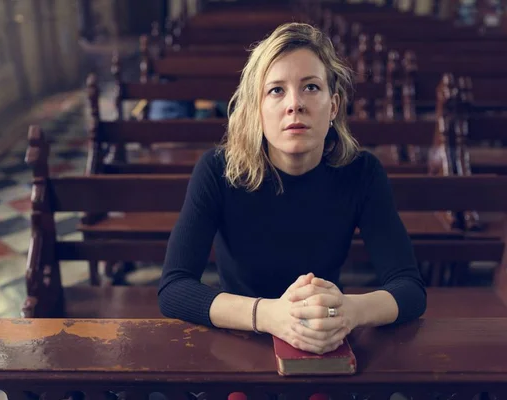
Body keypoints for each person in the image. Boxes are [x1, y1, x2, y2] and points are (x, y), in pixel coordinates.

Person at [157, 22, 427, 355]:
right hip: (241, 335)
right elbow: (174, 289)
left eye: (311, 87)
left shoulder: (362, 172)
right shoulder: (217, 170)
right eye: (276, 90)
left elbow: (409, 288)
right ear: (257, 108)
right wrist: (269, 315)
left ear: (334, 106)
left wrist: (349, 311)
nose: (294, 104)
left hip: (325, 333)